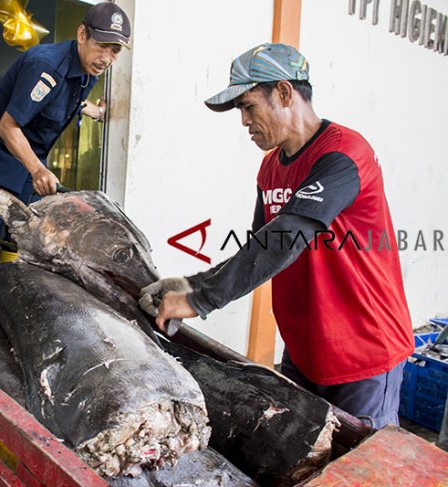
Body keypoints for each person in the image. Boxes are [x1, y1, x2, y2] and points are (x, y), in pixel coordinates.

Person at [139, 43, 414, 429]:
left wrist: (200, 299)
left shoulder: (345, 154)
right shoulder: (270, 168)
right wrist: (191, 283)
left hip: (363, 353)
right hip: (305, 352)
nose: (243, 121)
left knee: (358, 469)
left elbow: (287, 236)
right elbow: (259, 249)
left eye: (248, 106)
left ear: (284, 93)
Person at [0, 1, 131, 287]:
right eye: (102, 45)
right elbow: (7, 126)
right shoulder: (45, 66)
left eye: (115, 51)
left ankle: (4, 298)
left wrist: (94, 112)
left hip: (26, 163)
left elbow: (64, 100)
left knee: (21, 239)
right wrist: (38, 170)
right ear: (82, 34)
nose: (107, 58)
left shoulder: (88, 71)